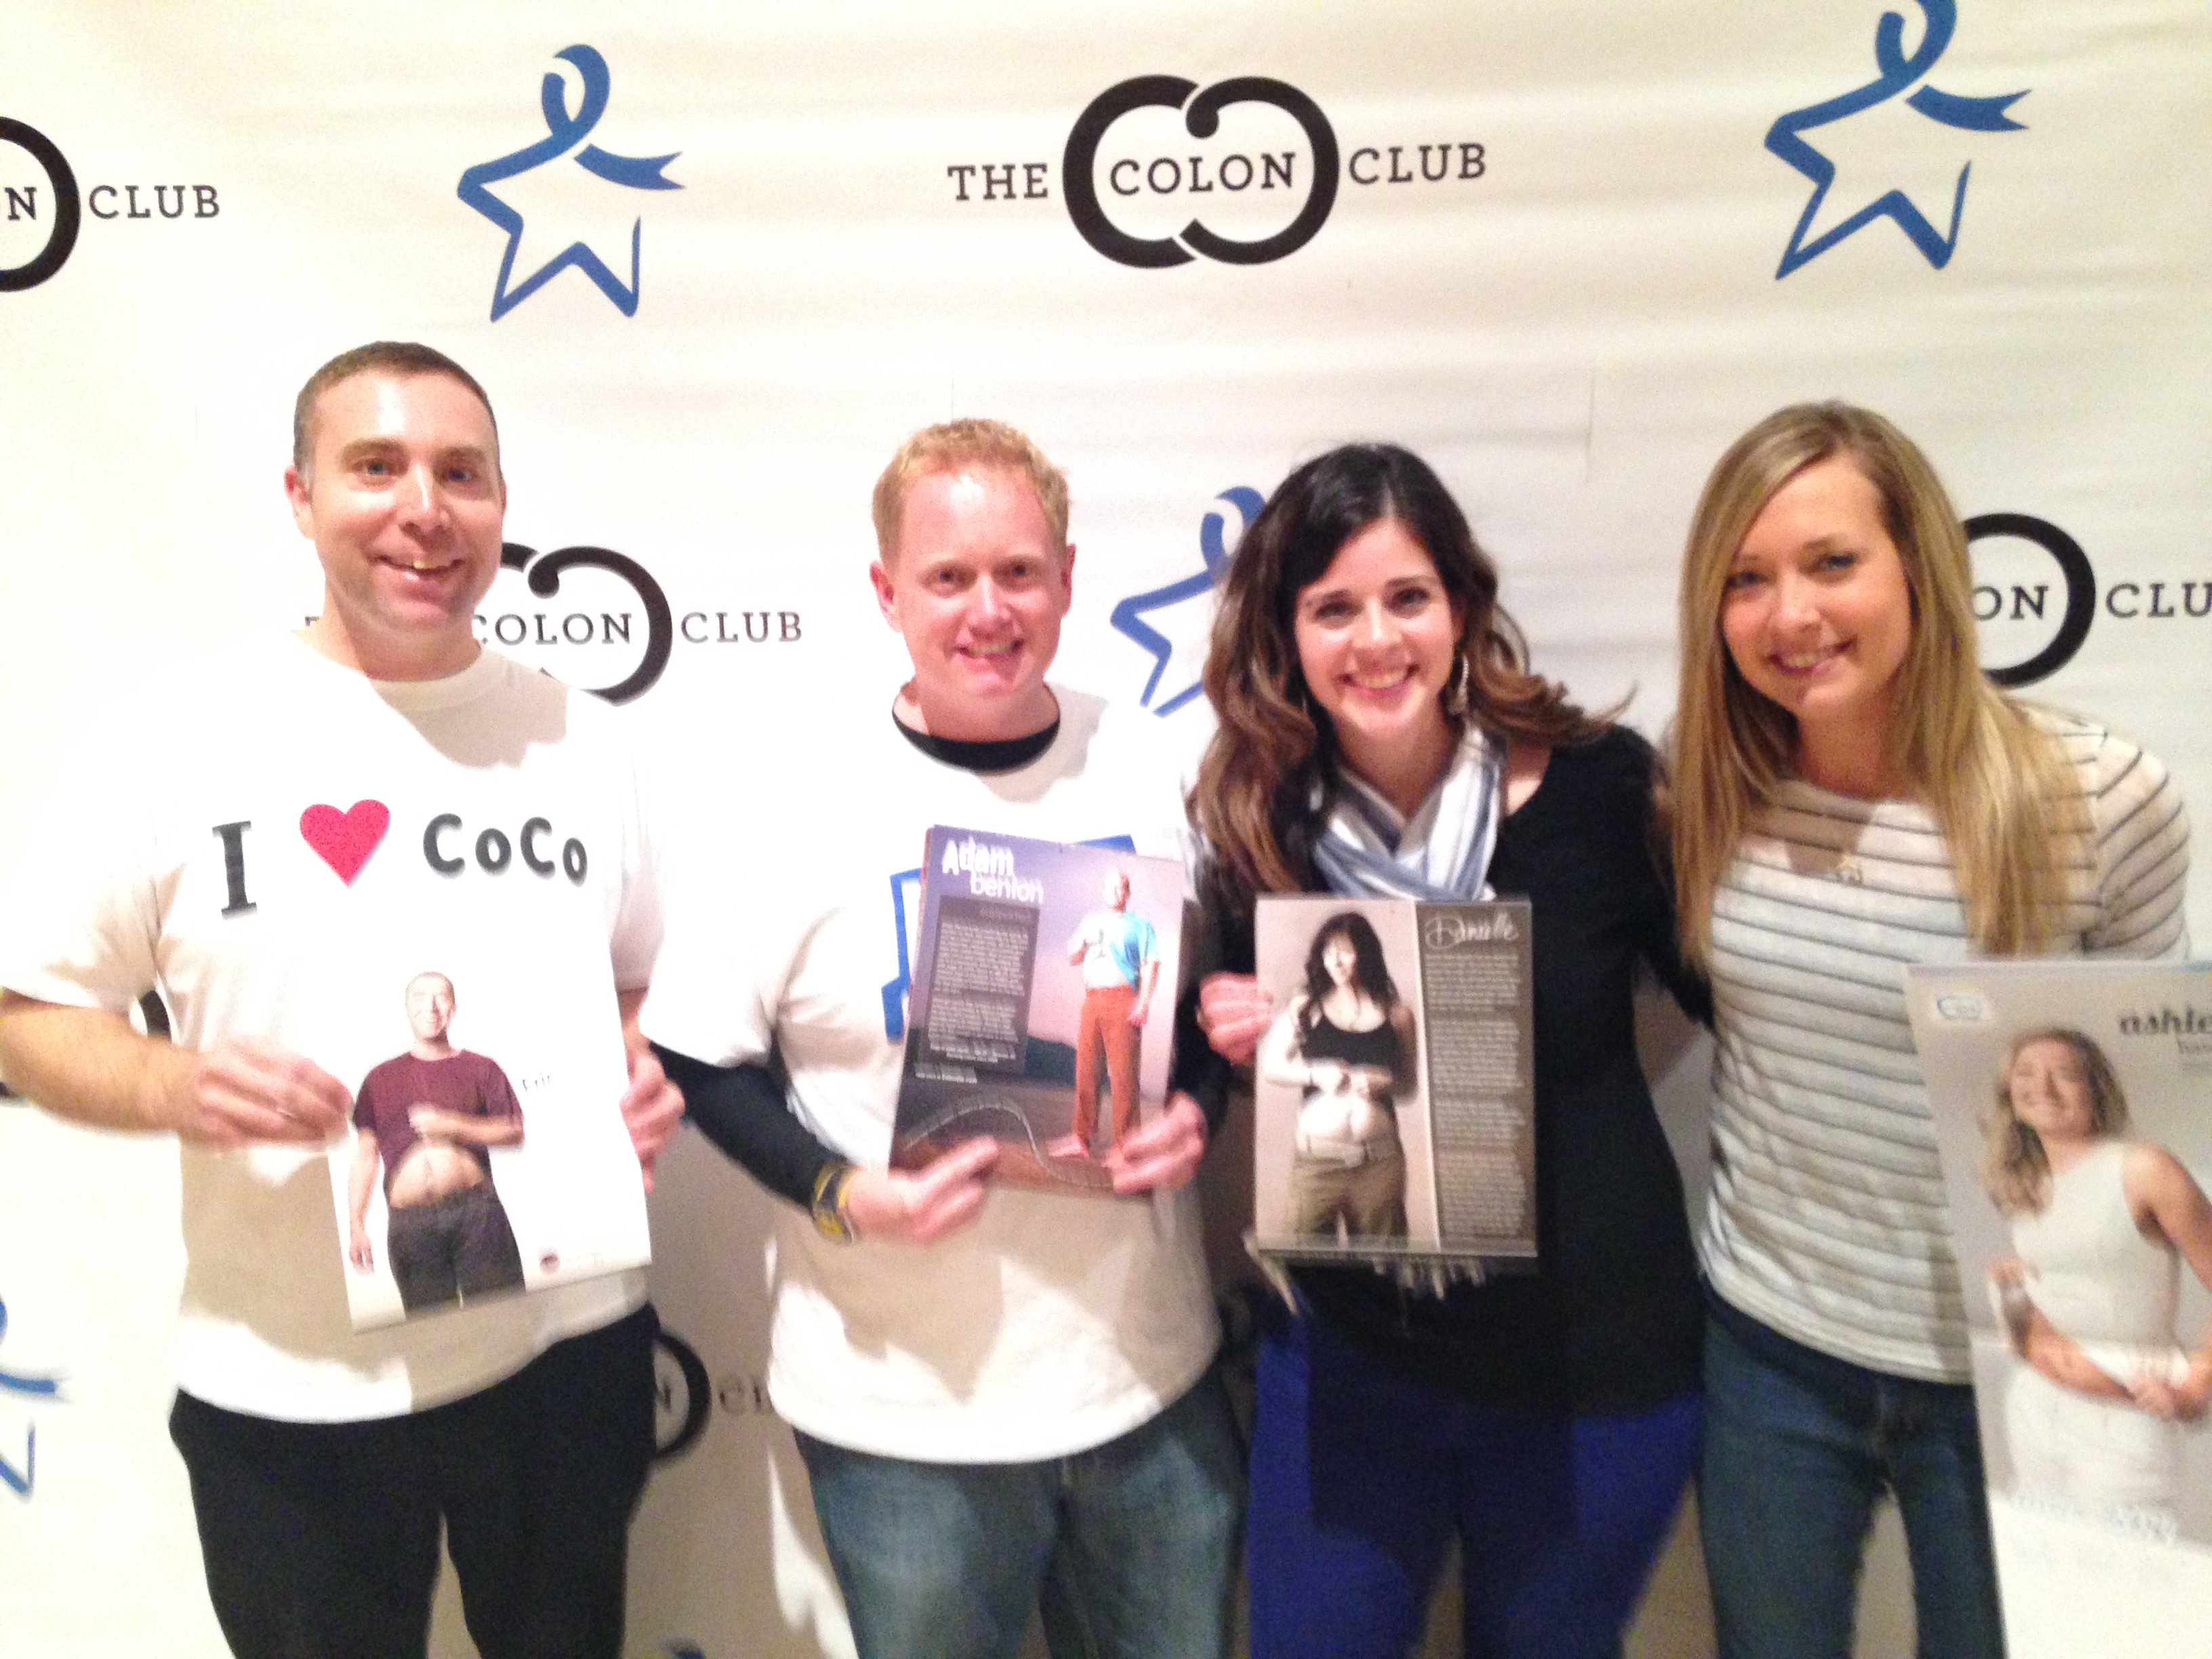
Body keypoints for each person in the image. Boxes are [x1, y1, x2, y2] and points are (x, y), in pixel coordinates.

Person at [0, 342, 684, 1659]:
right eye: (376, 466)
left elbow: (638, 977)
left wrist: (641, 1067)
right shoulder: (173, 738)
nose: (424, 507)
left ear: (500, 503)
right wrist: (175, 1084)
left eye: (461, 473)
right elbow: (26, 1015)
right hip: (288, 1386)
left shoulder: (583, 739)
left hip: (563, 1349)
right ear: (300, 495)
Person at [641, 418, 1240, 1659]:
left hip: (1148, 1385)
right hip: (903, 1418)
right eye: (948, 576)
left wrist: (1200, 1108)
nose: (988, 609)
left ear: (1066, 579)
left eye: (1018, 572)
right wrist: (839, 1191)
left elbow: (1200, 1002)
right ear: (887, 592)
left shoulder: (1146, 756)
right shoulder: (791, 793)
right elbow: (699, 1051)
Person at [1673, 402, 2190, 1658]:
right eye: (1746, 579)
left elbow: (2154, 1107)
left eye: (1830, 562)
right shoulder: (1705, 786)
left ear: (1920, 567)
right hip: (1770, 1349)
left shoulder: (2096, 796)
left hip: (2010, 1375)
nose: (1790, 615)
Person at [1187, 441, 1710, 1659]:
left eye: (1407, 597)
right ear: (1286, 633)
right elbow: (1236, 1062)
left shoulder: (1600, 790)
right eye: (1333, 608)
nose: (1375, 640)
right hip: (1356, 1361)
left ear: (1462, 607)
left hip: (1591, 1370)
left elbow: (1730, 991)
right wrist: (1227, 1037)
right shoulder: (1258, 825)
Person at [1981, 1027, 2212, 1528]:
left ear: (2096, 1088)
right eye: (2025, 1074)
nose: (2042, 1087)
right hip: (2035, 1407)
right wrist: (2012, 1293)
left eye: (2064, 1074)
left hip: (2124, 1419)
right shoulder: (2026, 1184)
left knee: (2128, 1571)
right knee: (2043, 1565)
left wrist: (2195, 1390)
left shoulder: (2144, 1168)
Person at [348, 971, 527, 1315]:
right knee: (431, 1332)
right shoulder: (378, 1079)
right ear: (406, 1007)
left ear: (453, 1008)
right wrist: (356, 1224)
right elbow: (365, 1156)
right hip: (410, 1225)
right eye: (420, 997)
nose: (431, 1006)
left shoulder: (482, 1068)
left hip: (476, 1214)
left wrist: (452, 1126)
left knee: (504, 1318)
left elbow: (513, 1131)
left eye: (441, 997)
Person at [1256, 910, 1414, 1240]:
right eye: (1329, 952)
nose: (1336, 961)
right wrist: (1316, 1074)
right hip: (1318, 1163)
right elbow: (1271, 1066)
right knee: (1306, 1260)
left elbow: (1408, 1084)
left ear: (1365, 952)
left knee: (1382, 1264)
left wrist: (1385, 1081)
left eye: (1346, 951)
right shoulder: (1307, 1007)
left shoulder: (1398, 1014)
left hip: (1379, 1164)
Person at [1050, 866, 1162, 1160]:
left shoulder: (1140, 925)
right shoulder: (1091, 921)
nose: (1115, 892)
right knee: (1086, 1070)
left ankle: (1127, 1147)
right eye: (1110, 887)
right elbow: (1073, 957)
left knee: (1124, 1076)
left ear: (1128, 893)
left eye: (1120, 887)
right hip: (1092, 1000)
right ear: (1103, 891)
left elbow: (1151, 964)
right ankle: (1080, 1137)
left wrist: (1144, 1002)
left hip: (1123, 999)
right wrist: (1084, 940)